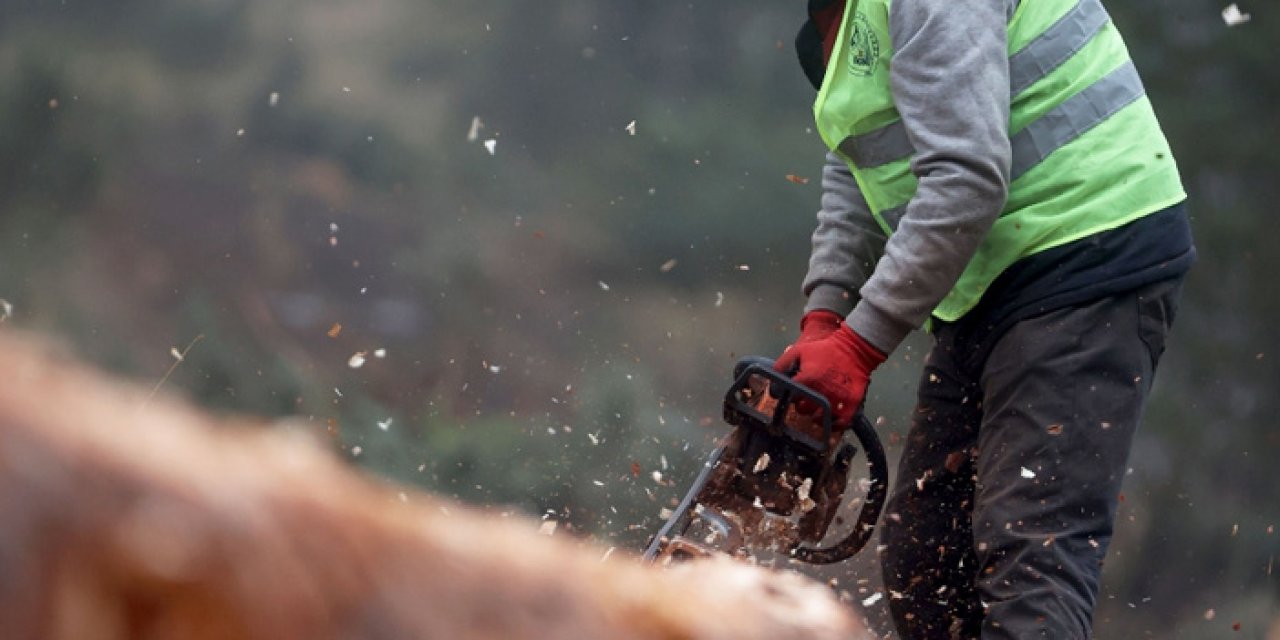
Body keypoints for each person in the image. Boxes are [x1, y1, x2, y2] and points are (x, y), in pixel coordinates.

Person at [774, 0, 1195, 637]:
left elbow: (968, 177)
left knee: (1031, 551)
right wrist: (824, 319)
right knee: (928, 556)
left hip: (1087, 246)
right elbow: (860, 161)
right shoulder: (844, 19)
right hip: (993, 276)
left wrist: (859, 346)